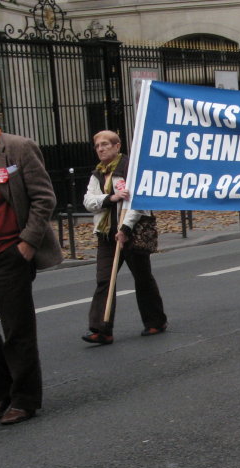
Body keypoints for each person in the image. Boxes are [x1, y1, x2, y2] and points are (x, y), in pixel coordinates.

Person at [0, 120, 62, 425]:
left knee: (17, 329)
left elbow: (44, 198)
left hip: (10, 254)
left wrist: (28, 244)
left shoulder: (16, 147)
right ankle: (3, 393)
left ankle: (25, 399)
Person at [82, 130, 167, 345]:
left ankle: (155, 321)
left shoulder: (130, 169)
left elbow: (136, 202)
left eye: (105, 145)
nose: (101, 149)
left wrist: (126, 229)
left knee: (142, 278)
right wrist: (110, 198)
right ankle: (102, 329)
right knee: (104, 280)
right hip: (106, 235)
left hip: (130, 234)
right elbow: (88, 201)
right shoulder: (97, 174)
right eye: (97, 146)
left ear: (117, 146)